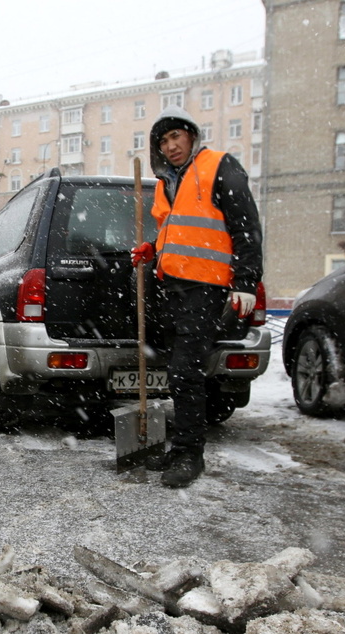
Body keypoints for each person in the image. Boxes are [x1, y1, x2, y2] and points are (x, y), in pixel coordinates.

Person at [131, 106, 263, 488]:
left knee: (185, 372)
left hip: (207, 288)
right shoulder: (168, 181)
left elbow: (245, 226)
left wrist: (246, 281)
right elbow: (181, 232)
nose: (171, 146)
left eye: (177, 137)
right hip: (174, 287)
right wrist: (153, 248)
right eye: (164, 141)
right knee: (179, 373)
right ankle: (181, 448)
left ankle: (191, 454)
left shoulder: (219, 166)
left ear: (192, 136)